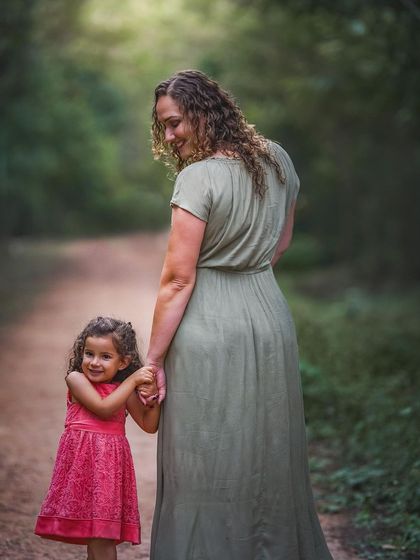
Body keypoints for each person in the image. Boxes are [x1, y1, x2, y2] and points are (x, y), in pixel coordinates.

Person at [145, 69, 334, 560]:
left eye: (175, 123)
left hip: (208, 324)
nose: (170, 137)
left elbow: (178, 279)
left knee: (202, 454)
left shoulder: (198, 178)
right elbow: (280, 245)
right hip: (269, 314)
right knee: (266, 449)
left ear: (206, 113)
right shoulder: (277, 160)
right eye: (163, 127)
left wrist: (153, 360)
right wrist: (245, 271)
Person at [34, 316, 160, 560]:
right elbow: (104, 408)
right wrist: (134, 380)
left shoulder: (123, 389)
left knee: (102, 536)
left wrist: (152, 397)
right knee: (97, 537)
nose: (94, 362)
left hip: (109, 471)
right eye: (89, 353)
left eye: (105, 356)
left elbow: (149, 425)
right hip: (82, 469)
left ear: (123, 362)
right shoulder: (76, 379)